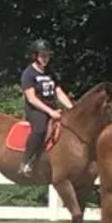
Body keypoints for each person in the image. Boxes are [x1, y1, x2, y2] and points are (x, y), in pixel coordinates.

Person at [19, 39, 74, 175]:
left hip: (53, 108)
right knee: (40, 130)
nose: (46, 59)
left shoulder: (50, 72)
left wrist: (72, 108)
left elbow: (58, 92)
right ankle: (26, 162)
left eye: (47, 56)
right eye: (43, 56)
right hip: (36, 110)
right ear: (35, 56)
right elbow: (31, 98)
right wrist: (50, 112)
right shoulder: (29, 73)